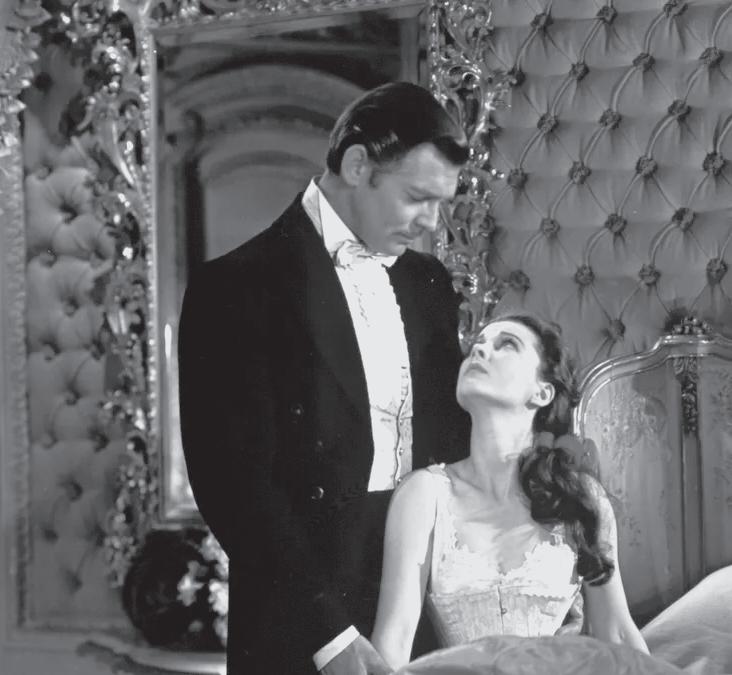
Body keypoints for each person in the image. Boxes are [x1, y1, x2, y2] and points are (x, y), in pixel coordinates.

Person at [177, 82, 471, 675]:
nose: (430, 223)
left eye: (441, 203)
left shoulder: (428, 284)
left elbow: (451, 443)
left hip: (421, 602)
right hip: (299, 614)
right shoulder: (235, 288)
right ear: (358, 165)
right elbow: (234, 489)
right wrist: (329, 636)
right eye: (418, 198)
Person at [371, 312, 650, 670]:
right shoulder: (424, 495)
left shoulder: (580, 496)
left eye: (506, 345)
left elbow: (618, 634)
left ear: (542, 392)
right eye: (476, 345)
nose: (480, 351)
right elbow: (392, 644)